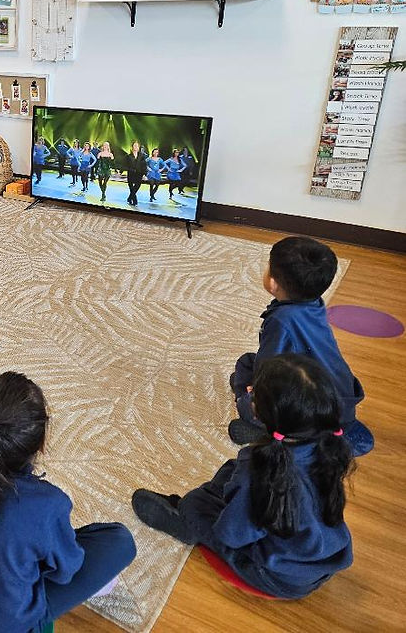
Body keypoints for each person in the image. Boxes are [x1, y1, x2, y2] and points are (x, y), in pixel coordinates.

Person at [131, 354, 355, 600]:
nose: (248, 393)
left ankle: (184, 525)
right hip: (319, 560)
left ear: (260, 415)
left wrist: (228, 505)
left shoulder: (260, 471)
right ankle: (226, 499)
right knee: (232, 469)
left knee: (194, 504)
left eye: (253, 395)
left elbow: (232, 535)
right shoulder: (329, 447)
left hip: (277, 576)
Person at [0, 372, 136, 633]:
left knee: (23, 545)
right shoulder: (49, 504)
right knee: (120, 541)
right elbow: (66, 571)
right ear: (40, 444)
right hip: (11, 625)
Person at [229, 237, 371, 455]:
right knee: (249, 362)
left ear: (273, 283)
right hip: (337, 402)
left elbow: (269, 368)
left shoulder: (281, 321)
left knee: (245, 379)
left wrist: (256, 394)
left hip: (310, 410)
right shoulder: (315, 304)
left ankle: (269, 431)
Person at [124, 140, 148, 206]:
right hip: (131, 173)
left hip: (139, 173)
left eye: (137, 146)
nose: (136, 147)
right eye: (135, 145)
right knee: (131, 187)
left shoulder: (142, 156)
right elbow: (125, 165)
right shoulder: (128, 156)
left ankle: (129, 198)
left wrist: (145, 174)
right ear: (132, 147)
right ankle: (135, 200)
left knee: (137, 186)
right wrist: (121, 171)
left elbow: (144, 165)